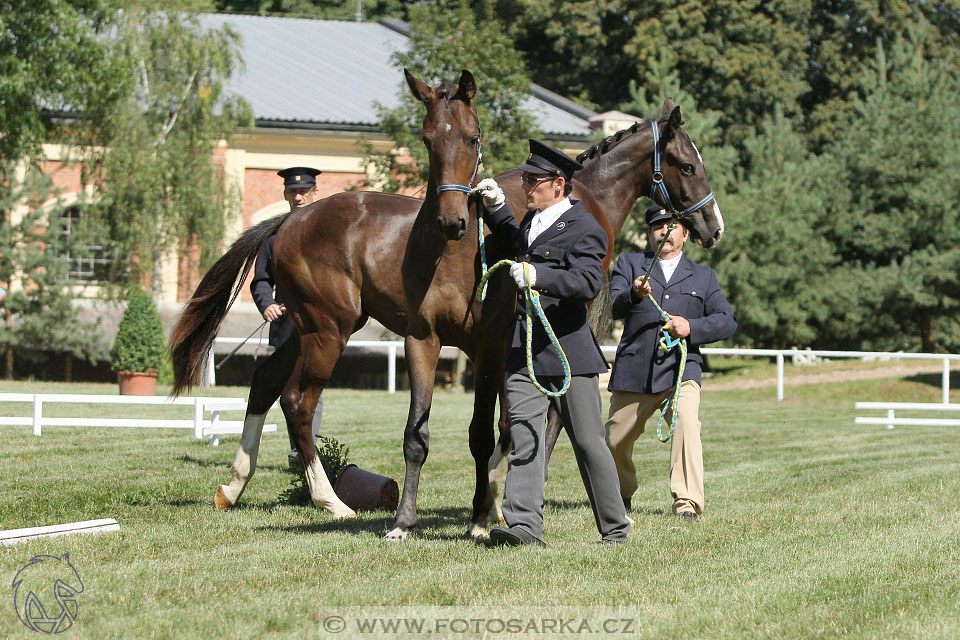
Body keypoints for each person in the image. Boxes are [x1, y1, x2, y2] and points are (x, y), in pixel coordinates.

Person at [476, 140, 631, 547]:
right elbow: (520, 247)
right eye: (525, 178)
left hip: (567, 352)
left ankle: (615, 528)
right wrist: (494, 208)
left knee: (587, 442)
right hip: (524, 347)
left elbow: (585, 283)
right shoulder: (532, 220)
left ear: (558, 185)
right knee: (524, 434)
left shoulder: (586, 229)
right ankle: (524, 527)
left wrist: (538, 278)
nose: (525, 186)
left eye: (532, 180)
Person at [604, 204, 737, 522]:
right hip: (635, 368)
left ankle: (687, 502)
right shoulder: (629, 263)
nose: (665, 230)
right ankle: (621, 492)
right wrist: (635, 295)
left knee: (687, 424)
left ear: (686, 233)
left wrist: (692, 327)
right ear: (651, 233)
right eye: (658, 226)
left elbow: (727, 320)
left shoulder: (704, 276)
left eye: (672, 225)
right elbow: (614, 306)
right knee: (612, 440)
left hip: (682, 369)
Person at [250, 166, 324, 466]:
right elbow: (261, 279)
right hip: (283, 324)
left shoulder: (327, 231)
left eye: (304, 191)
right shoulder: (274, 235)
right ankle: (300, 449)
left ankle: (305, 452)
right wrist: (266, 303)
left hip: (319, 322)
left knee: (312, 386)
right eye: (293, 192)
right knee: (287, 390)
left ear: (315, 193)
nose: (299, 197)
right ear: (285, 195)